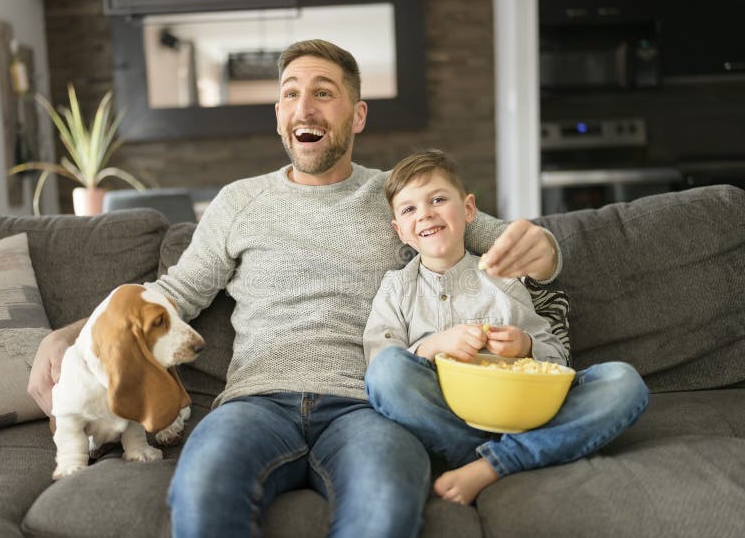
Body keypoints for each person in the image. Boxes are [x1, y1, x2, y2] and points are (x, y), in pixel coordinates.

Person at [28, 40, 563, 538]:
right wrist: (73, 336)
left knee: (386, 507)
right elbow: (173, 293)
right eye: (291, 94)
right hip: (254, 404)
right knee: (201, 497)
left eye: (323, 93)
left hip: (367, 406)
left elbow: (508, 240)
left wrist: (545, 250)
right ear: (280, 116)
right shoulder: (239, 201)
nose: (304, 107)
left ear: (356, 115)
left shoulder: (401, 198)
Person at [363, 149, 650, 506]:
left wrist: (525, 346)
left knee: (623, 383)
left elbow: (557, 356)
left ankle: (489, 465)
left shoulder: (502, 277)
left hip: (520, 409)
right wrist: (435, 344)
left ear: (468, 210)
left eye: (438, 199)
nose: (426, 214)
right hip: (446, 416)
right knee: (388, 373)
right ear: (400, 231)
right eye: (409, 209)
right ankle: (509, 458)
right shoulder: (396, 287)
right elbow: (379, 361)